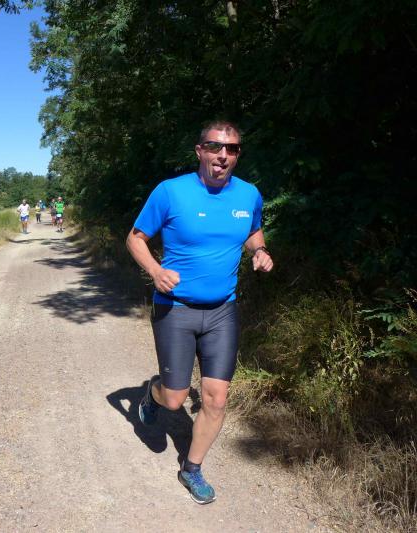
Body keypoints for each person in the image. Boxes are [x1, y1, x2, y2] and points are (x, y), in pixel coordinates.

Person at [126, 120, 274, 505]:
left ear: (237, 155)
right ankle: (153, 395)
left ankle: (191, 468)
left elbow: (252, 230)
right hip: (176, 309)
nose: (223, 155)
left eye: (231, 149)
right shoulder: (170, 192)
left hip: (223, 311)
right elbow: (136, 238)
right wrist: (155, 270)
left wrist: (259, 251)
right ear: (199, 151)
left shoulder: (249, 194)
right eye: (214, 147)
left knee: (216, 399)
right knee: (175, 399)